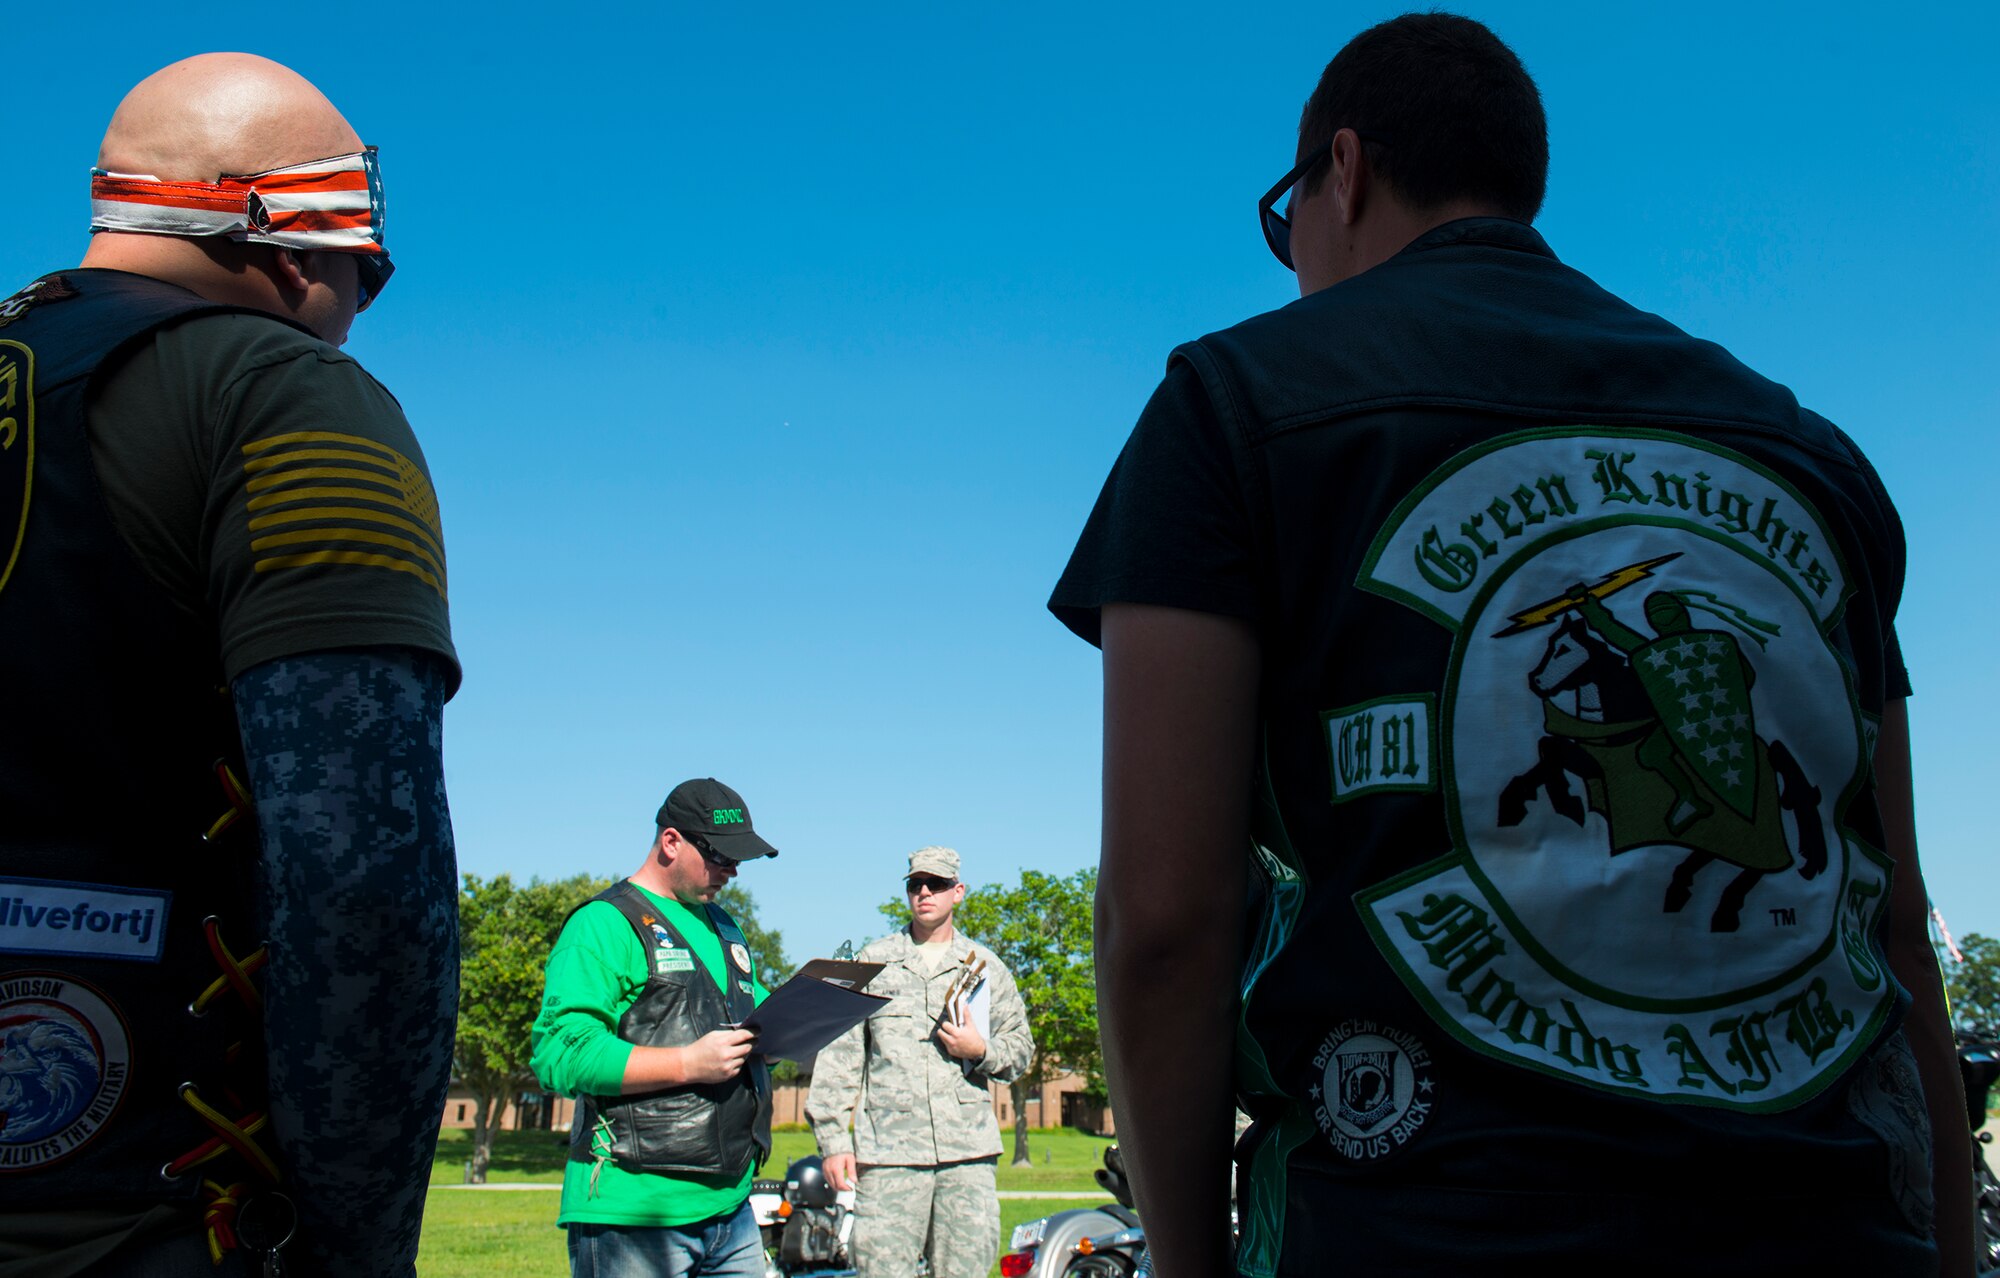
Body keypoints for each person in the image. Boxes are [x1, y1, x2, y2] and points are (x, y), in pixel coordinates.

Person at [1049, 13, 1972, 1277]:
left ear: (1344, 169)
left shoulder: (1231, 403)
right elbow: (1897, 920)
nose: (1292, 264)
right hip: (1826, 1228)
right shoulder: (1813, 458)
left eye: (1286, 222)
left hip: (1422, 1228)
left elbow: (1163, 918)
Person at [0, 55, 457, 1277]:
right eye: (363, 270)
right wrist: (358, 1250)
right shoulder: (288, 396)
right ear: (299, 240)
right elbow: (365, 882)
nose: (360, 303)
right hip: (141, 1216)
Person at [531, 778, 782, 1278]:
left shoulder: (724, 926)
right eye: (720, 856)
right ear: (671, 841)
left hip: (731, 1208)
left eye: (739, 860)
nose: (732, 871)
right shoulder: (604, 923)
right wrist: (690, 1063)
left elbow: (753, 1016)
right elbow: (560, 1052)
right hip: (634, 1207)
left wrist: (804, 1018)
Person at [805, 847, 1032, 1278]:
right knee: (881, 1271)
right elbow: (840, 1055)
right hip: (890, 1158)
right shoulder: (873, 963)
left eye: (937, 884)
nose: (925, 892)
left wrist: (980, 1050)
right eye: (915, 884)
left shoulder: (985, 969)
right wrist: (834, 1142)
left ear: (958, 891)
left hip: (966, 1157)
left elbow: (1021, 1049)